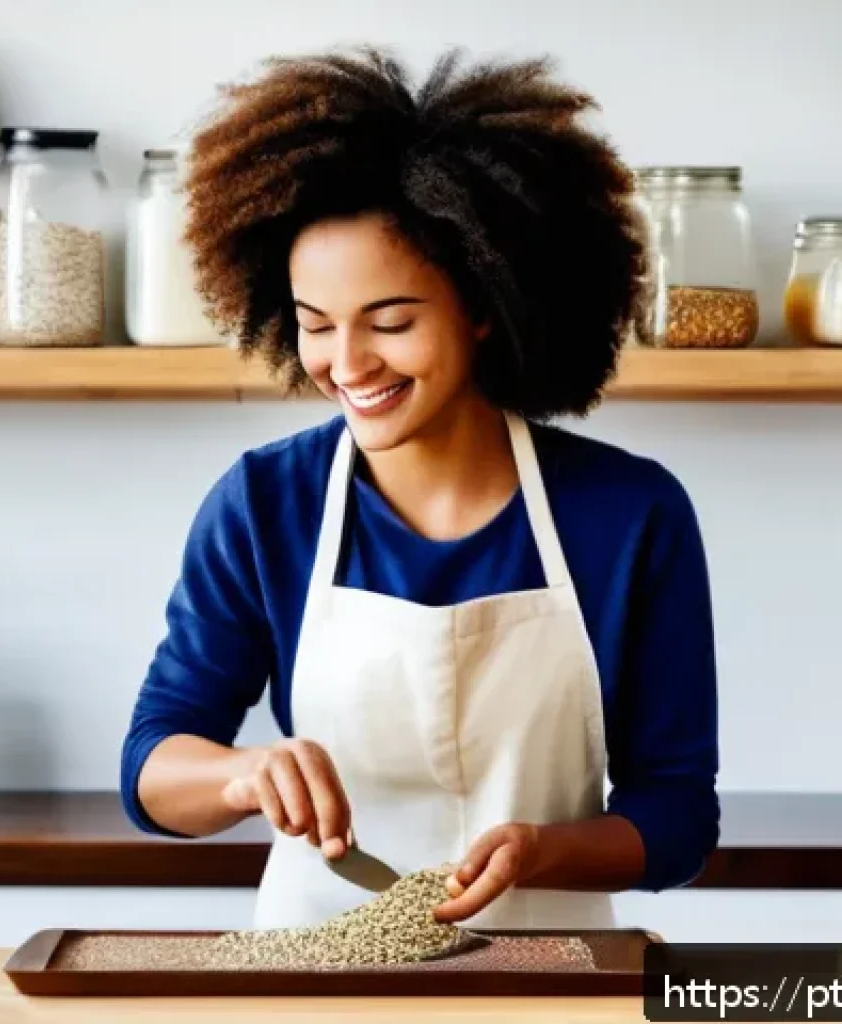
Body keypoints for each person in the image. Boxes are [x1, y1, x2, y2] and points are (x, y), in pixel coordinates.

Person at [120, 46, 719, 931]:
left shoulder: (630, 516)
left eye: (391, 322)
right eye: (316, 326)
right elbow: (150, 768)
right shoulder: (263, 506)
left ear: (486, 305)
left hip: (547, 973)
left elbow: (676, 817)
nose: (348, 365)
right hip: (314, 968)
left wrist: (543, 849)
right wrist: (240, 775)